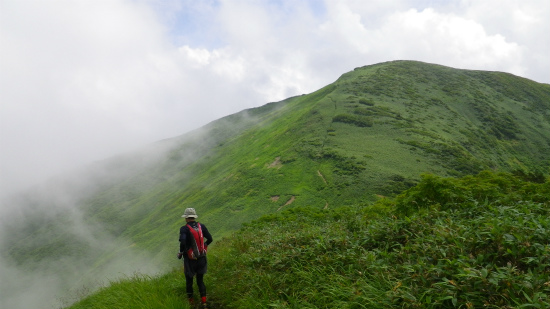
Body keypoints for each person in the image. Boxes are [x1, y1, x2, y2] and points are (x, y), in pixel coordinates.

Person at [178, 208, 213, 308]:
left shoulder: (184, 229)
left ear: (186, 218)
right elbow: (210, 239)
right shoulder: (201, 226)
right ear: (194, 217)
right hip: (201, 257)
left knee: (189, 281)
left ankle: (191, 303)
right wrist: (204, 246)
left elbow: (183, 242)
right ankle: (204, 302)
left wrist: (181, 252)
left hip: (190, 260)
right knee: (200, 280)